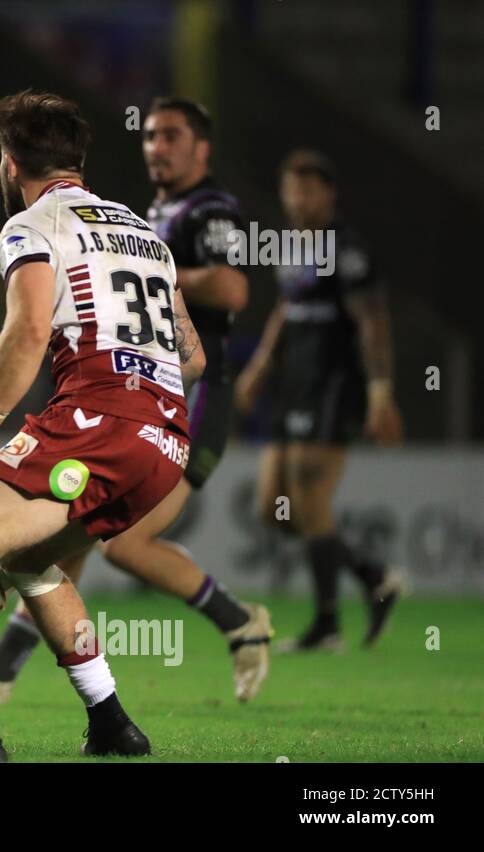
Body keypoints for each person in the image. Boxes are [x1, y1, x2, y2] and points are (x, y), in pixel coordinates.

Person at [0, 96, 272, 705]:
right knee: (31, 562)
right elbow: (194, 359)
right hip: (165, 438)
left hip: (98, 420)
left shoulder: (32, 225)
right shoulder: (144, 233)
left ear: (9, 162)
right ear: (78, 158)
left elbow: (26, 332)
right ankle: (104, 717)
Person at [234, 148, 408, 652]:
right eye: (292, 189)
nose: (299, 199)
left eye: (309, 189)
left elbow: (373, 322)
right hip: (294, 386)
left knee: (309, 499)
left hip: (337, 387)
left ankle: (327, 624)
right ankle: (373, 575)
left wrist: (380, 392)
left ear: (328, 194)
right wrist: (260, 365)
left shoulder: (348, 249)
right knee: (275, 510)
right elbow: (286, 309)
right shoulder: (290, 246)